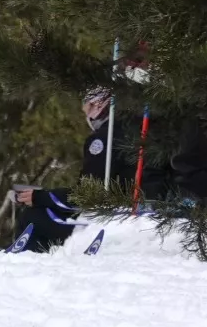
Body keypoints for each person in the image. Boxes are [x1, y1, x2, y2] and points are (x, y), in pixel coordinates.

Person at [11, 87, 144, 252]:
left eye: (87, 109)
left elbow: (89, 194)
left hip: (114, 218)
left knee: (32, 216)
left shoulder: (105, 138)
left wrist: (40, 197)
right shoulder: (140, 130)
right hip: (136, 209)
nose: (87, 117)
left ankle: (22, 261)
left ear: (99, 105)